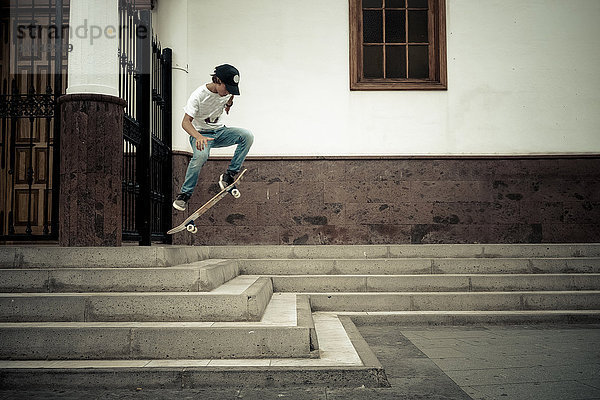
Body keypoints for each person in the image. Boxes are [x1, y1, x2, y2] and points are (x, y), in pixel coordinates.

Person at [173, 64, 253, 211]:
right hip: (201, 135)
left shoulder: (228, 92)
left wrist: (229, 103)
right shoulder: (198, 96)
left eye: (231, 89)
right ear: (218, 80)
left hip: (220, 132)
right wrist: (198, 136)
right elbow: (185, 122)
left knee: (247, 136)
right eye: (227, 88)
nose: (228, 92)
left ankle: (228, 176)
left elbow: (230, 97)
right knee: (201, 157)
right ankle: (184, 195)